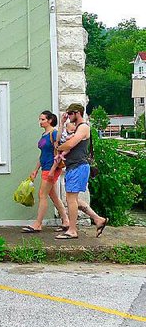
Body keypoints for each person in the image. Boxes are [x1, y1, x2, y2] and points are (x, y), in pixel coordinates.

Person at [54, 103, 108, 240]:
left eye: (70, 114)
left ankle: (72, 230)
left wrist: (59, 148)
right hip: (73, 167)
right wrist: (61, 123)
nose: (68, 116)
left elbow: (70, 144)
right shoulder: (75, 127)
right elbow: (59, 140)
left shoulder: (83, 127)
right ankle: (98, 219)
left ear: (77, 113)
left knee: (70, 199)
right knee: (74, 199)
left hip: (79, 166)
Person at [22, 110, 69, 233]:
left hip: (51, 167)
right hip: (45, 167)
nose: (40, 122)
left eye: (43, 119)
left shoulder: (53, 133)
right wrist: (35, 170)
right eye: (40, 119)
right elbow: (42, 154)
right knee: (53, 195)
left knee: (42, 195)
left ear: (50, 120)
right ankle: (66, 221)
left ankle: (38, 224)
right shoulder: (44, 134)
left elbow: (58, 152)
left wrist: (53, 170)